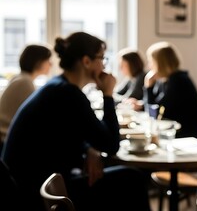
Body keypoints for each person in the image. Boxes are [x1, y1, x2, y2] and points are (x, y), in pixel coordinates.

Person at [1, 32, 151, 211]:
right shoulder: (69, 94)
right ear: (86, 61)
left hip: (31, 184)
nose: (104, 64)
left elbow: (66, 131)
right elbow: (111, 145)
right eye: (102, 58)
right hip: (39, 194)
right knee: (132, 178)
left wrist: (88, 149)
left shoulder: (58, 86)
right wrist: (108, 95)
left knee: (117, 174)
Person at [142, 41, 197, 140]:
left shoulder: (178, 81)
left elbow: (155, 113)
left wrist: (148, 87)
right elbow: (155, 107)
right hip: (175, 132)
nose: (149, 66)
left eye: (151, 62)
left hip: (187, 136)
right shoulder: (165, 80)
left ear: (160, 63)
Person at [0, 44, 52, 148]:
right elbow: (39, 116)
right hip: (5, 139)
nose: (51, 64)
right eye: (48, 60)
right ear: (39, 62)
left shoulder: (21, 78)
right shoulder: (25, 82)